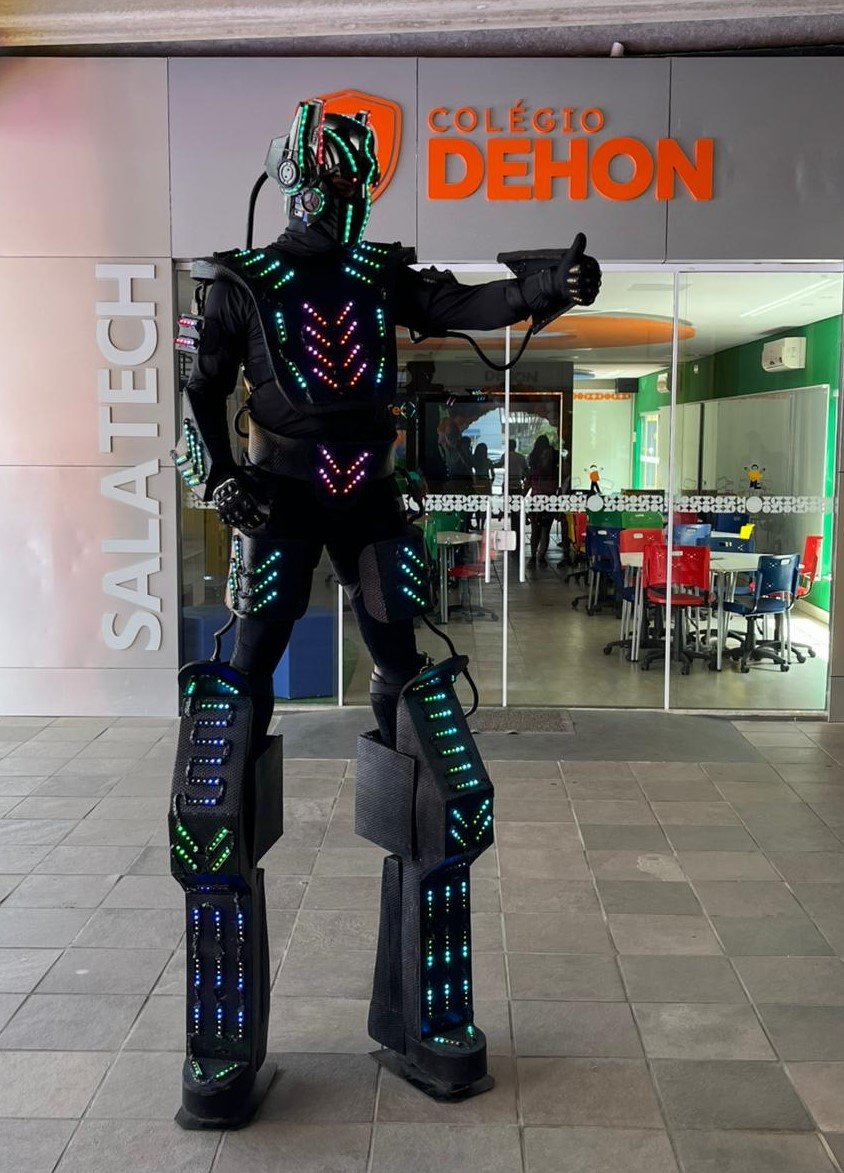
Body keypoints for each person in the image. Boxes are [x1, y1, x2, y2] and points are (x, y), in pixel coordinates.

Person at [169, 96, 601, 1126]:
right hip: (278, 491)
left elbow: (465, 302)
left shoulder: (376, 273)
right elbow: (197, 391)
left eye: (358, 186)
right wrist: (218, 478)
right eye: (336, 183)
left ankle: (424, 1011)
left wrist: (548, 286)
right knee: (240, 689)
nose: (349, 202)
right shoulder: (237, 280)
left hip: (369, 495)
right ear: (295, 177)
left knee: (408, 675)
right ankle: (222, 1040)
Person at [527, 434, 558, 565]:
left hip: (536, 497)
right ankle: (541, 556)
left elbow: (529, 480)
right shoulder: (554, 462)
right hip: (549, 497)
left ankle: (533, 555)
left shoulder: (533, 459)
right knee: (545, 529)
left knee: (535, 529)